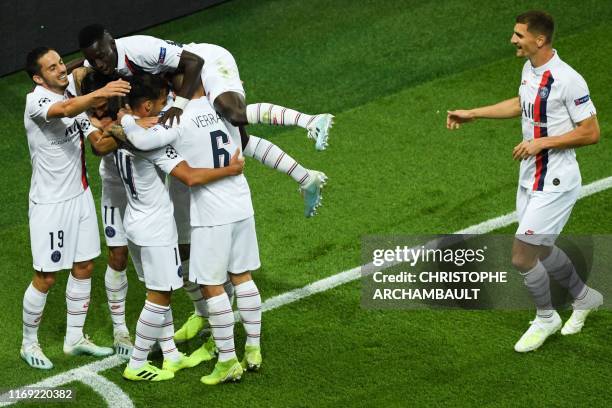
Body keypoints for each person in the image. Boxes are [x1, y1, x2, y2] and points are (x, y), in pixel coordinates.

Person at [446, 10, 602, 352]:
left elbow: (591, 133)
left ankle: (546, 318)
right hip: (530, 176)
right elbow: (522, 104)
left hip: (556, 180)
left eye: (519, 35)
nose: (513, 40)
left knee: (521, 256)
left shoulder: (568, 79)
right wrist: (473, 113)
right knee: (542, 249)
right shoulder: (530, 69)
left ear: (539, 39)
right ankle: (584, 297)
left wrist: (541, 143)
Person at [78, 24, 328, 218]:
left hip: (206, 62)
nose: (100, 64)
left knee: (235, 113)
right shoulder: (99, 61)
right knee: (240, 142)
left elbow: (194, 62)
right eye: (94, 59)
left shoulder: (140, 48)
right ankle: (307, 179)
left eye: (102, 56)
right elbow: (78, 67)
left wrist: (180, 105)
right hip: (184, 82)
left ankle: (310, 121)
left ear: (112, 42)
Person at [120, 75, 264, 385]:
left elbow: (144, 140)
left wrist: (128, 121)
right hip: (239, 202)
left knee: (205, 285)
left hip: (189, 215)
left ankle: (223, 359)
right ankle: (252, 347)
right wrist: (232, 169)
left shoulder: (157, 126)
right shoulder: (226, 106)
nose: (164, 107)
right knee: (240, 276)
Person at [21, 46, 130, 369]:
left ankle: (74, 337)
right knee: (46, 276)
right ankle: (29, 343)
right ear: (38, 77)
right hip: (50, 204)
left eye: (60, 63)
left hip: (80, 195)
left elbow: (76, 102)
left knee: (84, 266)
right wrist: (103, 92)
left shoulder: (66, 87)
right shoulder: (36, 100)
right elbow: (66, 109)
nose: (60, 70)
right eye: (51, 68)